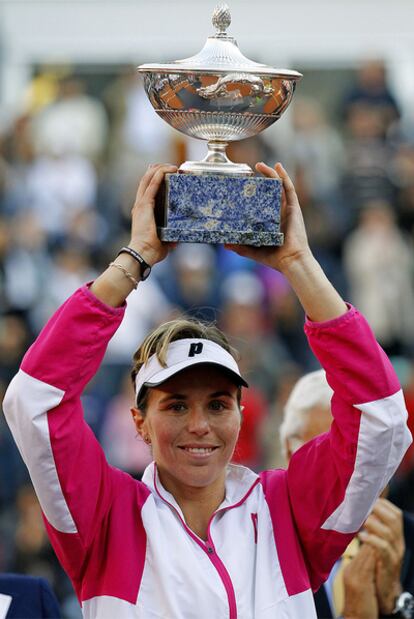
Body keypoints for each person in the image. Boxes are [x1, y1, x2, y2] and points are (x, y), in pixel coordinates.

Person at [3, 162, 411, 619]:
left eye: (218, 404)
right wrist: (134, 259)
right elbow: (34, 401)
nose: (199, 426)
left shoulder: (287, 511)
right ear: (139, 421)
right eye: (176, 405)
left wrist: (299, 265)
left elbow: (381, 419)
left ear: (241, 410)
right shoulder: (106, 516)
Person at [280, 369, 414, 618]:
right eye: (331, 463)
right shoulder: (262, 547)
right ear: (291, 455)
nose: (357, 480)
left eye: (370, 459)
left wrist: (396, 603)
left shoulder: (410, 537)